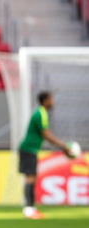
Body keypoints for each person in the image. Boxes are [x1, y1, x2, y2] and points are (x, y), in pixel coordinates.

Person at [19, 91, 71, 219]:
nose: (53, 101)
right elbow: (47, 136)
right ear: (46, 100)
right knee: (30, 178)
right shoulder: (41, 114)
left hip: (30, 149)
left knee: (31, 178)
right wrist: (64, 146)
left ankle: (30, 208)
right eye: (51, 98)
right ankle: (29, 209)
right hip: (29, 149)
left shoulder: (41, 113)